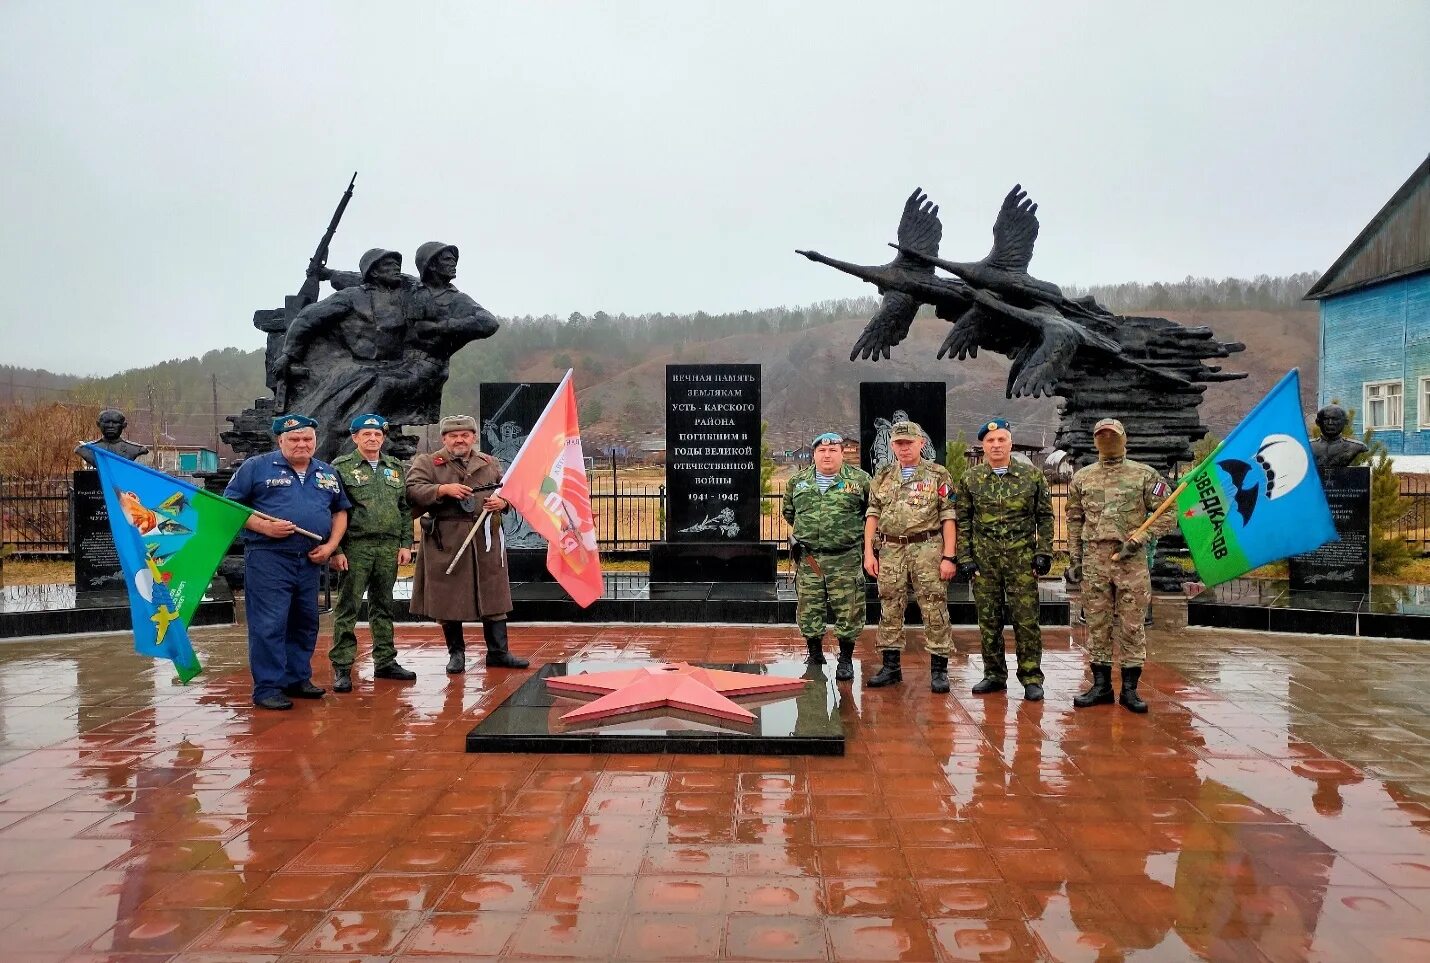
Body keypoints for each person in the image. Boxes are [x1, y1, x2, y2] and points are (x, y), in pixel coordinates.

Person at [223, 415, 349, 710]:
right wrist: (264, 527)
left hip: (309, 560)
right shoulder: (256, 467)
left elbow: (339, 511)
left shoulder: (327, 472)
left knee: (305, 622)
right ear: (280, 441)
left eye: (307, 439)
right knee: (269, 623)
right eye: (294, 439)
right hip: (269, 558)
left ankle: (297, 678)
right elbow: (229, 507)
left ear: (315, 441)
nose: (301, 444)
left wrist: (330, 546)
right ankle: (268, 687)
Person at [1065, 418, 1174, 713]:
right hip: (1095, 560)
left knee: (1131, 625)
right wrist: (1075, 559)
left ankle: (1130, 690)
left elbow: (1168, 512)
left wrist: (1142, 537)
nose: (1107, 440)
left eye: (1112, 435)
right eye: (1101, 435)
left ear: (1124, 439)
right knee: (1097, 625)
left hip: (1131, 561)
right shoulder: (1082, 478)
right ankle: (1100, 686)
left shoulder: (1144, 475)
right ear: (1095, 440)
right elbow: (1075, 521)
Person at [406, 414, 526, 673]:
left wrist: (502, 504)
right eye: (453, 435)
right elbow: (412, 490)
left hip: (485, 539)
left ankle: (498, 653)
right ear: (444, 439)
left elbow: (509, 492)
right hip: (447, 539)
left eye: (465, 435)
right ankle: (456, 654)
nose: (460, 439)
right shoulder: (428, 462)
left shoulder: (489, 462)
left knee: (493, 596)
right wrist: (442, 490)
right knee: (449, 599)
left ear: (473, 437)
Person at [955, 419, 1053, 701]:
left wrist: (1043, 552)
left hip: (1021, 560)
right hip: (985, 563)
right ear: (983, 446)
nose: (996, 445)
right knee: (989, 620)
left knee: (1026, 620)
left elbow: (1045, 517)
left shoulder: (1031, 476)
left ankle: (1032, 676)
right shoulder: (971, 479)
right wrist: (966, 558)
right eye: (990, 441)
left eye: (1001, 439)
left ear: (1010, 443)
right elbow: (963, 519)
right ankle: (994, 674)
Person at [863, 420, 958, 692]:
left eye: (909, 443)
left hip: (926, 548)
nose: (903, 448)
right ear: (892, 446)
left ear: (921, 443)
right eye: (898, 443)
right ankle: (891, 666)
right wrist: (869, 552)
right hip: (891, 550)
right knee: (889, 605)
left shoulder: (938, 474)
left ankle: (939, 670)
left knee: (934, 606)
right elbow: (873, 515)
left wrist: (949, 556)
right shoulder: (882, 477)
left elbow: (948, 516)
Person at [328, 413, 416, 692]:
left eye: (377, 434)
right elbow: (333, 509)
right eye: (366, 434)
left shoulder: (394, 467)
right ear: (355, 438)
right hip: (356, 546)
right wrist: (337, 549)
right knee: (348, 607)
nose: (372, 438)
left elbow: (404, 508)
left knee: (383, 606)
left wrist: (406, 544)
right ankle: (342, 666)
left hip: (389, 547)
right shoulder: (341, 467)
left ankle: (385, 661)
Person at [783, 431, 871, 682]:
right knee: (809, 608)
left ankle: (845, 659)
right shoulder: (798, 482)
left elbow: (870, 515)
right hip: (810, 559)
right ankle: (814, 653)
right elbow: (790, 512)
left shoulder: (860, 480)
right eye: (822, 451)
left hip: (845, 557)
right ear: (814, 454)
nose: (827, 455)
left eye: (833, 450)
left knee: (849, 610)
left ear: (842, 453)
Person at [75, 408, 150, 466]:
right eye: (106, 422)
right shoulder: (85, 449)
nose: (110, 426)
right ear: (98, 424)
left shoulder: (135, 449)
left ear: (124, 425)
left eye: (115, 422)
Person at [1309, 403, 1368, 476]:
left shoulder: (1356, 447)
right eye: (1326, 419)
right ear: (1318, 422)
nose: (1330, 423)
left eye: (1335, 419)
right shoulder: (1307, 446)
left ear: (1346, 422)